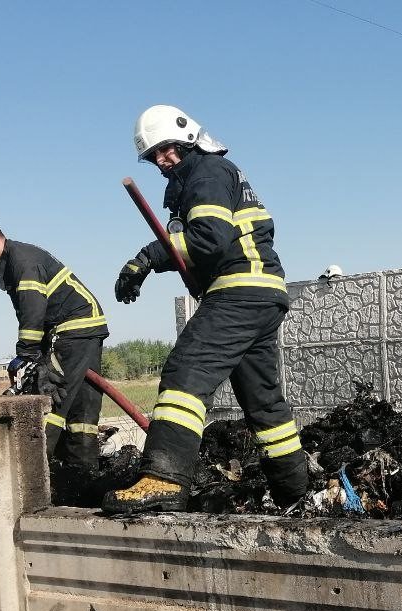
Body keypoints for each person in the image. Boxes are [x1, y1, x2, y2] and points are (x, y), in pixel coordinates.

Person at [102, 105, 309, 513]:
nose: (162, 160)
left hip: (239, 290)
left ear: (189, 138)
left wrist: (146, 258)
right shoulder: (212, 174)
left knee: (186, 373)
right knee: (265, 404)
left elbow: (208, 237)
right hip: (263, 292)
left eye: (168, 149)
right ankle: (296, 493)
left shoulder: (207, 173)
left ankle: (163, 479)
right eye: (154, 156)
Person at [0, 219, 109, 469]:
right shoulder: (14, 260)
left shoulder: (23, 261)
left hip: (73, 329)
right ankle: (81, 470)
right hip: (83, 329)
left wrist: (27, 354)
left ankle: (32, 470)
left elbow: (32, 310)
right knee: (82, 403)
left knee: (51, 399)